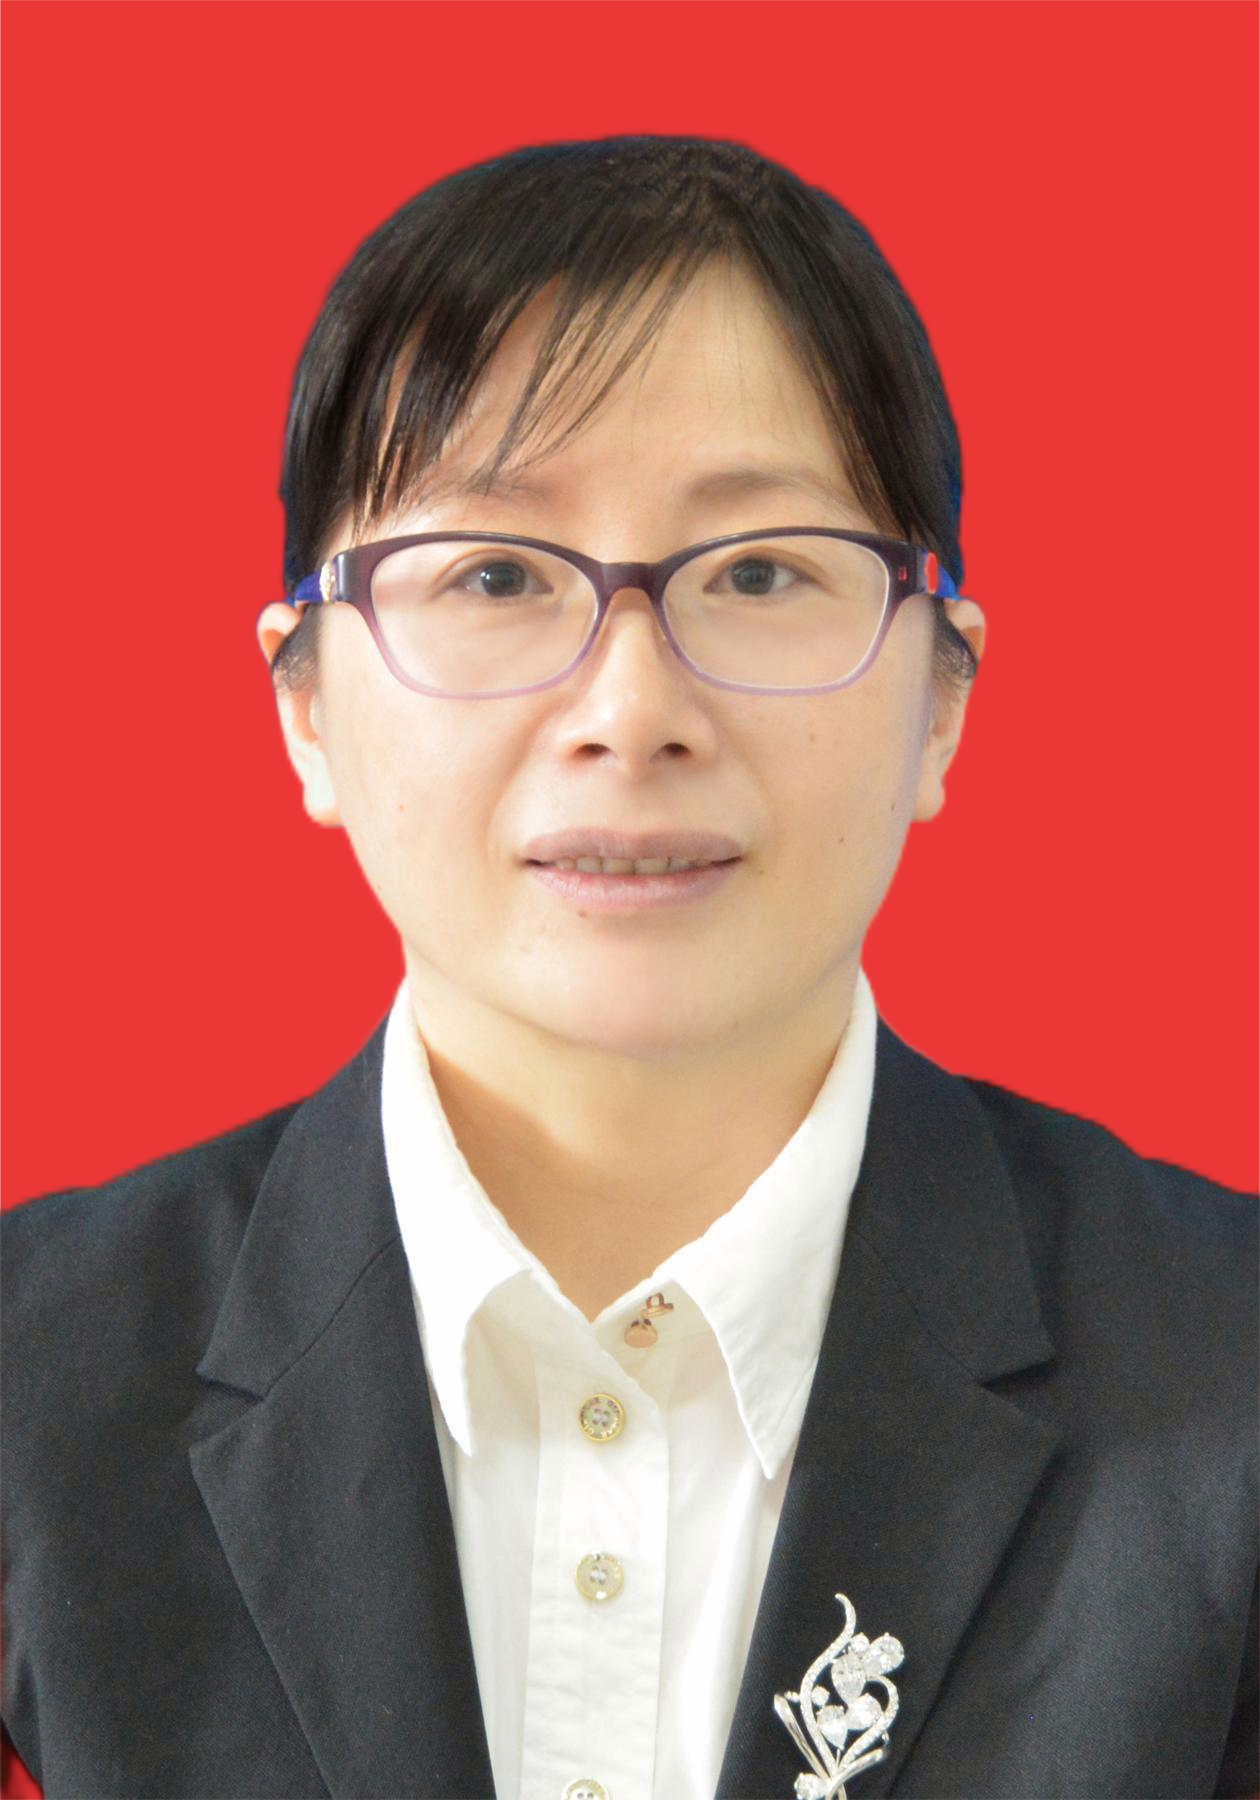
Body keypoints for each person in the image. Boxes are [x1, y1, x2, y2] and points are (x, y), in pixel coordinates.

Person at [1, 134, 1256, 1800]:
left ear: (944, 698)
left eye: (758, 573)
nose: (631, 709)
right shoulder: (30, 1381)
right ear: (304, 705)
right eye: (498, 576)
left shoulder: (1228, 1371)